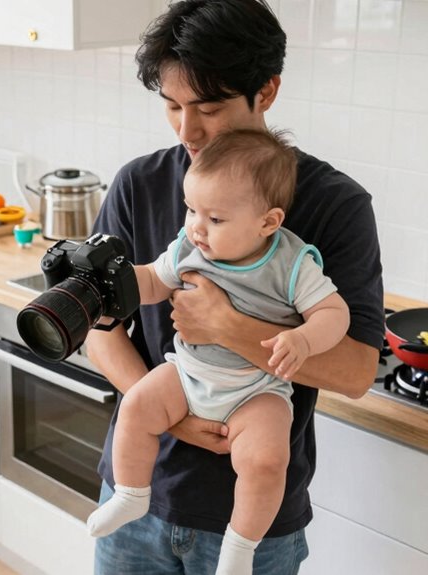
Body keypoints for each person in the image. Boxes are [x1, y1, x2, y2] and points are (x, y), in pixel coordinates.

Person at [85, 1, 385, 573]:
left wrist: (227, 324)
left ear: (267, 90)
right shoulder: (138, 184)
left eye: (210, 107)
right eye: (172, 106)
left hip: (255, 522)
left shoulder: (335, 205)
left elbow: (355, 373)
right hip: (137, 497)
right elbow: (102, 331)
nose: (187, 129)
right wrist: (170, 415)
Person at [86, 128, 350, 575]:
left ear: (267, 223)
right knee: (137, 406)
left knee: (267, 461)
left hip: (256, 391)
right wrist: (117, 280)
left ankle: (240, 547)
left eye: (215, 218)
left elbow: (334, 313)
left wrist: (303, 339)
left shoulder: (291, 262)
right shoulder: (190, 245)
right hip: (188, 375)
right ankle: (131, 495)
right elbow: (152, 280)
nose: (196, 226)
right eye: (191, 210)